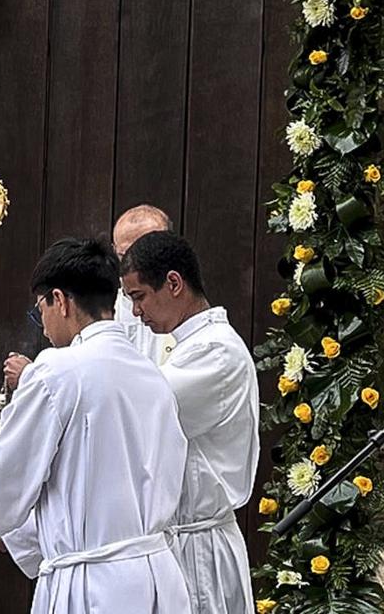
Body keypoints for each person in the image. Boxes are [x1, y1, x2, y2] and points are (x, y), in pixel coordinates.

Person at [0, 237, 190, 614]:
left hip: (93, 588)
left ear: (60, 300)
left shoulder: (56, 371)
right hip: (159, 577)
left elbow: (0, 493)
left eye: (39, 309)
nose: (42, 326)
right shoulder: (154, 376)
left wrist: (4, 522)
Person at [121, 230, 259, 614]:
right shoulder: (190, 345)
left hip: (201, 551)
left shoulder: (215, 351)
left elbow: (142, 412)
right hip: (178, 542)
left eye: (139, 297)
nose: (136, 312)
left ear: (174, 283)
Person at [2, 203, 174, 390]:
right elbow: (79, 374)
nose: (135, 265)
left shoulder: (186, 313)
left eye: (147, 253)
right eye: (125, 256)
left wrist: (32, 378)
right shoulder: (102, 305)